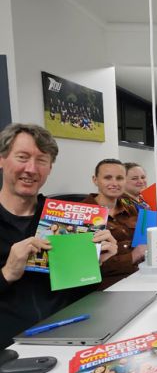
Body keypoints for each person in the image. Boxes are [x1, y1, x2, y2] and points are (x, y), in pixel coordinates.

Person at [0, 123, 117, 348]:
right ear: (2, 159)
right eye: (22, 157)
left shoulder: (63, 217)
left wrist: (94, 265)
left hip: (71, 336)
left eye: (42, 160)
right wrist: (7, 273)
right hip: (10, 350)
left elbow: (78, 295)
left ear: (50, 168)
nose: (32, 169)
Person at [82, 159, 145, 290]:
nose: (114, 183)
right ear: (95, 180)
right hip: (107, 287)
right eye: (107, 178)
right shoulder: (82, 213)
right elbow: (82, 266)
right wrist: (133, 256)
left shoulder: (130, 206)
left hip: (140, 277)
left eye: (120, 178)